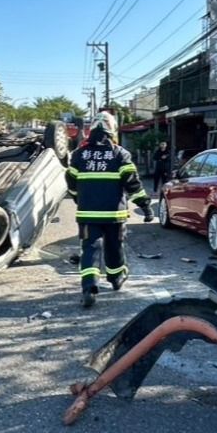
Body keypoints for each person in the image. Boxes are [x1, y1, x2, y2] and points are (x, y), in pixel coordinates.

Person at [65, 116, 152, 308]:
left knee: (90, 248)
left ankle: (89, 287)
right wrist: (145, 206)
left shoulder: (79, 154)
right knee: (114, 247)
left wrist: (78, 198)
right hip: (114, 215)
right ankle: (115, 278)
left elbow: (70, 181)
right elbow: (132, 183)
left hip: (87, 214)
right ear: (112, 131)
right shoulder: (120, 154)